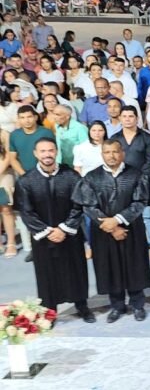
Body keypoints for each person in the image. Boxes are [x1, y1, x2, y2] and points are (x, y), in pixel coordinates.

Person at [72, 140, 150, 322]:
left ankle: (138, 304)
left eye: (115, 152)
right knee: (110, 267)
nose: (111, 156)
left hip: (130, 229)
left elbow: (140, 202)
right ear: (102, 154)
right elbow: (88, 205)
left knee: (134, 266)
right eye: (107, 152)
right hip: (104, 232)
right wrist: (111, 226)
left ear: (122, 153)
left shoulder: (136, 174)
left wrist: (117, 220)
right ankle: (117, 306)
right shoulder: (92, 177)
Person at [15, 138, 93, 322]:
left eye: (50, 150)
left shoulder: (71, 176)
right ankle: (49, 313)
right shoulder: (26, 181)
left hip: (70, 235)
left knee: (76, 271)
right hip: (43, 238)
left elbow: (79, 205)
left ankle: (82, 306)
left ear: (56, 151)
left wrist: (64, 228)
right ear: (35, 153)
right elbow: (26, 211)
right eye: (42, 151)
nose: (47, 154)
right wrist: (48, 231)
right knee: (47, 275)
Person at [110, 106, 150, 260]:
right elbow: (113, 159)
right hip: (122, 181)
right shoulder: (115, 138)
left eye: (131, 116)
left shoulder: (146, 137)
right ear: (120, 118)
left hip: (144, 181)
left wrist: (140, 179)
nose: (127, 119)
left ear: (137, 118)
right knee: (125, 214)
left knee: (147, 214)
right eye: (124, 116)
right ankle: (134, 245)